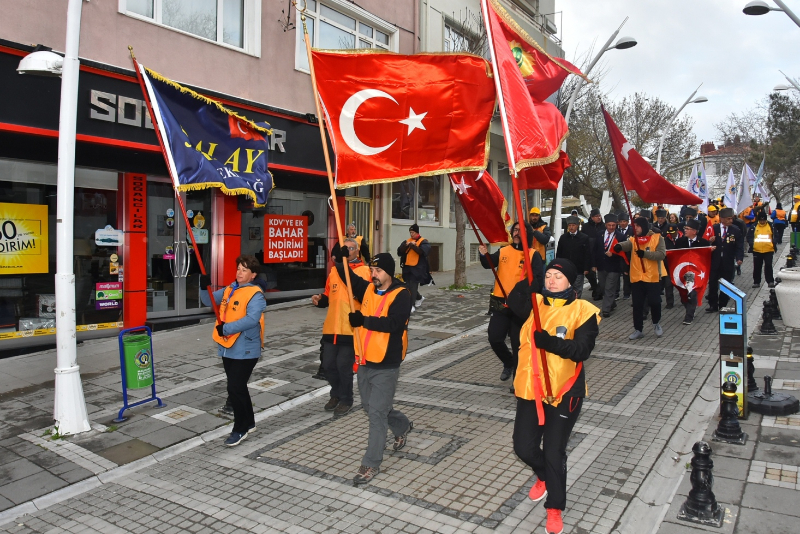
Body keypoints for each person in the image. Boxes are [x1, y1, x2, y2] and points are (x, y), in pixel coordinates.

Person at [506, 259, 600, 534]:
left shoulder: (583, 310)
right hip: (530, 390)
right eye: (548, 275)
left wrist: (549, 343)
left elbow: (582, 350)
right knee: (523, 447)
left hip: (564, 392)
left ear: (571, 281)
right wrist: (531, 277)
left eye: (558, 276)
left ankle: (555, 507)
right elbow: (513, 299)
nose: (551, 281)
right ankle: (545, 477)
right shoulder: (534, 305)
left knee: (554, 451)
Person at [336, 252, 413, 485]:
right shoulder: (369, 288)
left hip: (386, 364)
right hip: (364, 359)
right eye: (372, 270)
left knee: (377, 414)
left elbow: (394, 324)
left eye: (378, 271)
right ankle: (402, 425)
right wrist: (340, 258)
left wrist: (363, 321)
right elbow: (346, 276)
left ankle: (370, 464)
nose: (373, 275)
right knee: (370, 407)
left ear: (389, 273)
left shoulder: (402, 294)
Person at [200, 256, 266, 447]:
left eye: (244, 270)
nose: (239, 273)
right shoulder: (230, 289)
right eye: (238, 268)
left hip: (246, 348)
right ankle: (250, 422)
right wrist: (204, 285)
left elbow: (252, 319)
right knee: (239, 387)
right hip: (227, 347)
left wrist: (227, 328)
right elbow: (208, 300)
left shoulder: (256, 294)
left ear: (253, 275)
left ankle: (240, 428)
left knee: (234, 387)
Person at [311, 238, 372, 416]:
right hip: (331, 327)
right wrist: (320, 300)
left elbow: (368, 298)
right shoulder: (333, 272)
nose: (348, 251)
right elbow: (329, 295)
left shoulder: (365, 271)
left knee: (343, 366)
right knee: (328, 365)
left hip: (350, 329)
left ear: (357, 251)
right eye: (344, 249)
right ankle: (335, 393)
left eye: (351, 248)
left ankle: (346, 398)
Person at [479, 222, 544, 383]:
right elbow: (489, 263)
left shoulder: (533, 255)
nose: (516, 233)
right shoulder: (504, 251)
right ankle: (508, 362)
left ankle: (518, 380)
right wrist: (483, 253)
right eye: (515, 230)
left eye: (520, 231)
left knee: (517, 344)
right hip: (501, 303)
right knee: (494, 338)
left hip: (520, 306)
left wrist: (521, 292)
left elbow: (538, 281)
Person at [613, 217, 666, 340]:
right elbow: (627, 244)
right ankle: (638, 329)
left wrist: (646, 254)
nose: (634, 228)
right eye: (634, 225)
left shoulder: (658, 238)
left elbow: (662, 254)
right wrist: (619, 246)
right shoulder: (633, 239)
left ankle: (656, 323)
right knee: (637, 305)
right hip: (637, 277)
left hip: (652, 277)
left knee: (655, 302)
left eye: (637, 225)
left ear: (644, 226)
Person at [706, 208, 744, 312]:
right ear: (722, 219)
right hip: (715, 261)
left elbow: (739, 246)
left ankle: (723, 304)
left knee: (726, 283)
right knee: (713, 283)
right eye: (728, 219)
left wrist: (739, 258)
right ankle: (713, 304)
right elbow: (705, 243)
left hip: (728, 261)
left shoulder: (735, 230)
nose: (731, 221)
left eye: (731, 218)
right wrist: (710, 242)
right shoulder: (714, 228)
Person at [674, 219, 711, 325]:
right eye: (685, 228)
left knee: (693, 293)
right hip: (683, 272)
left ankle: (689, 316)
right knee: (684, 294)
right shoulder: (680, 242)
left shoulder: (703, 243)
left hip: (696, 273)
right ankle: (689, 308)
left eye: (687, 229)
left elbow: (706, 258)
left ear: (694, 231)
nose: (684, 230)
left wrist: (710, 250)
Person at [593, 214, 626, 318]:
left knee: (609, 288)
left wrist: (614, 254)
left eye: (613, 225)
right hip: (601, 266)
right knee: (603, 287)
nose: (611, 227)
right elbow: (595, 250)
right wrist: (593, 264)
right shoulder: (599, 234)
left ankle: (606, 310)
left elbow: (623, 253)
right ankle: (612, 303)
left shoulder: (620, 236)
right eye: (609, 225)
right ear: (606, 225)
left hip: (614, 267)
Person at [397, 224, 431, 312]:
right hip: (407, 267)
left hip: (418, 268)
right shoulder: (407, 241)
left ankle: (411, 305)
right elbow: (399, 251)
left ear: (417, 232)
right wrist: (406, 245)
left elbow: (422, 252)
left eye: (413, 232)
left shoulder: (423, 242)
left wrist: (413, 245)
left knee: (412, 285)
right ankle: (419, 297)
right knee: (408, 285)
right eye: (410, 232)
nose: (411, 234)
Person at [556, 216, 591, 298]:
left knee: (577, 289)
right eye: (570, 225)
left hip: (579, 268)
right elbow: (559, 253)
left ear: (577, 226)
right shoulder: (563, 238)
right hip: (566, 268)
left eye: (573, 225)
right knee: (566, 288)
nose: (571, 227)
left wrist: (586, 268)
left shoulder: (584, 238)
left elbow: (587, 254)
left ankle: (576, 305)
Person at [581, 209, 604, 301]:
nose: (598, 217)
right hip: (589, 253)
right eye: (596, 216)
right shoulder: (586, 226)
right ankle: (595, 288)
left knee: (602, 274)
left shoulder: (604, 226)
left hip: (601, 253)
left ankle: (598, 291)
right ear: (592, 217)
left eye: (599, 215)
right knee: (590, 274)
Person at [752, 210, 777, 288]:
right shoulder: (754, 226)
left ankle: (770, 281)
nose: (762, 221)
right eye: (761, 220)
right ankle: (756, 282)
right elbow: (749, 236)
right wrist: (751, 244)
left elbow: (776, 235)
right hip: (757, 250)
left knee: (768, 266)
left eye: (763, 220)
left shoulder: (771, 226)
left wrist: (774, 243)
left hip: (769, 250)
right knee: (757, 267)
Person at [617, 213, 634, 300]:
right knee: (620, 274)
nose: (623, 223)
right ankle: (619, 292)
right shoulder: (616, 231)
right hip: (618, 256)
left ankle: (627, 292)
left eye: (624, 221)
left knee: (627, 274)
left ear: (627, 222)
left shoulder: (632, 231)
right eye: (621, 222)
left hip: (629, 255)